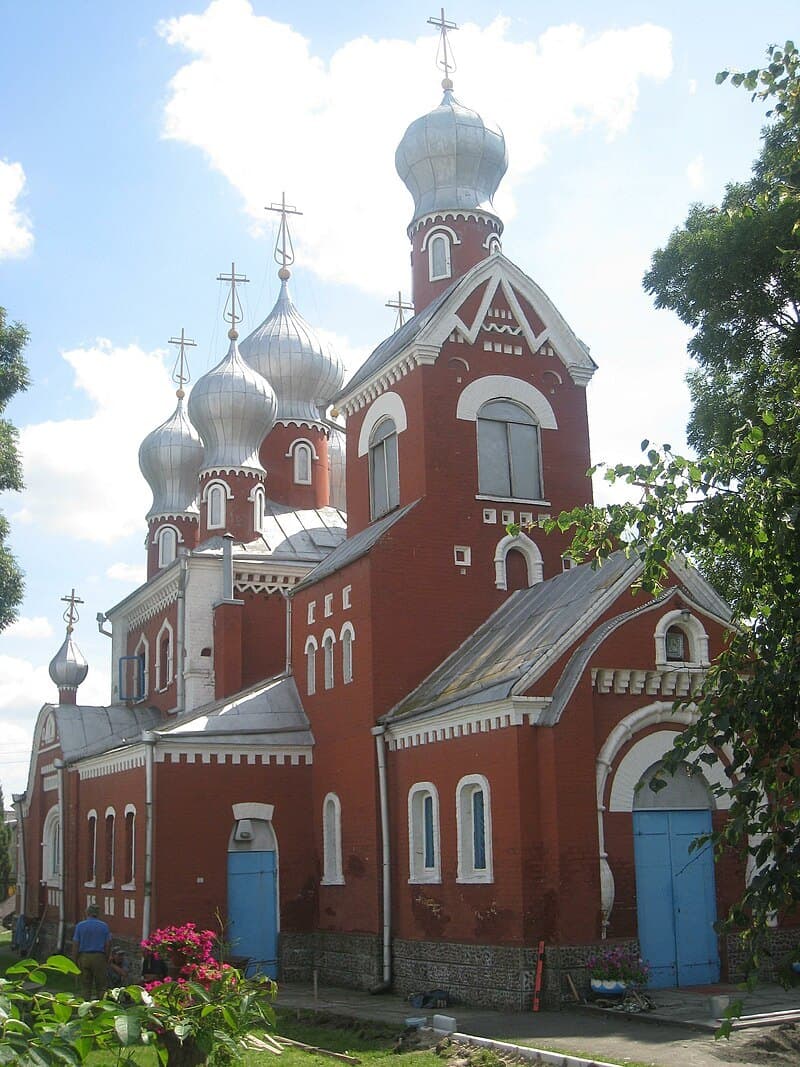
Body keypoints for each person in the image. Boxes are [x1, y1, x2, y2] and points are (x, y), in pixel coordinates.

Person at [71, 903, 111, 999]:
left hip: (84, 957)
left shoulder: (80, 926)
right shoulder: (104, 926)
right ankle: (101, 1007)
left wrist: (74, 959)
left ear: (87, 913)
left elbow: (76, 944)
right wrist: (107, 957)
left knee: (85, 985)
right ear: (98, 914)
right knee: (101, 986)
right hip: (99, 957)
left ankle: (86, 1007)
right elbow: (108, 944)